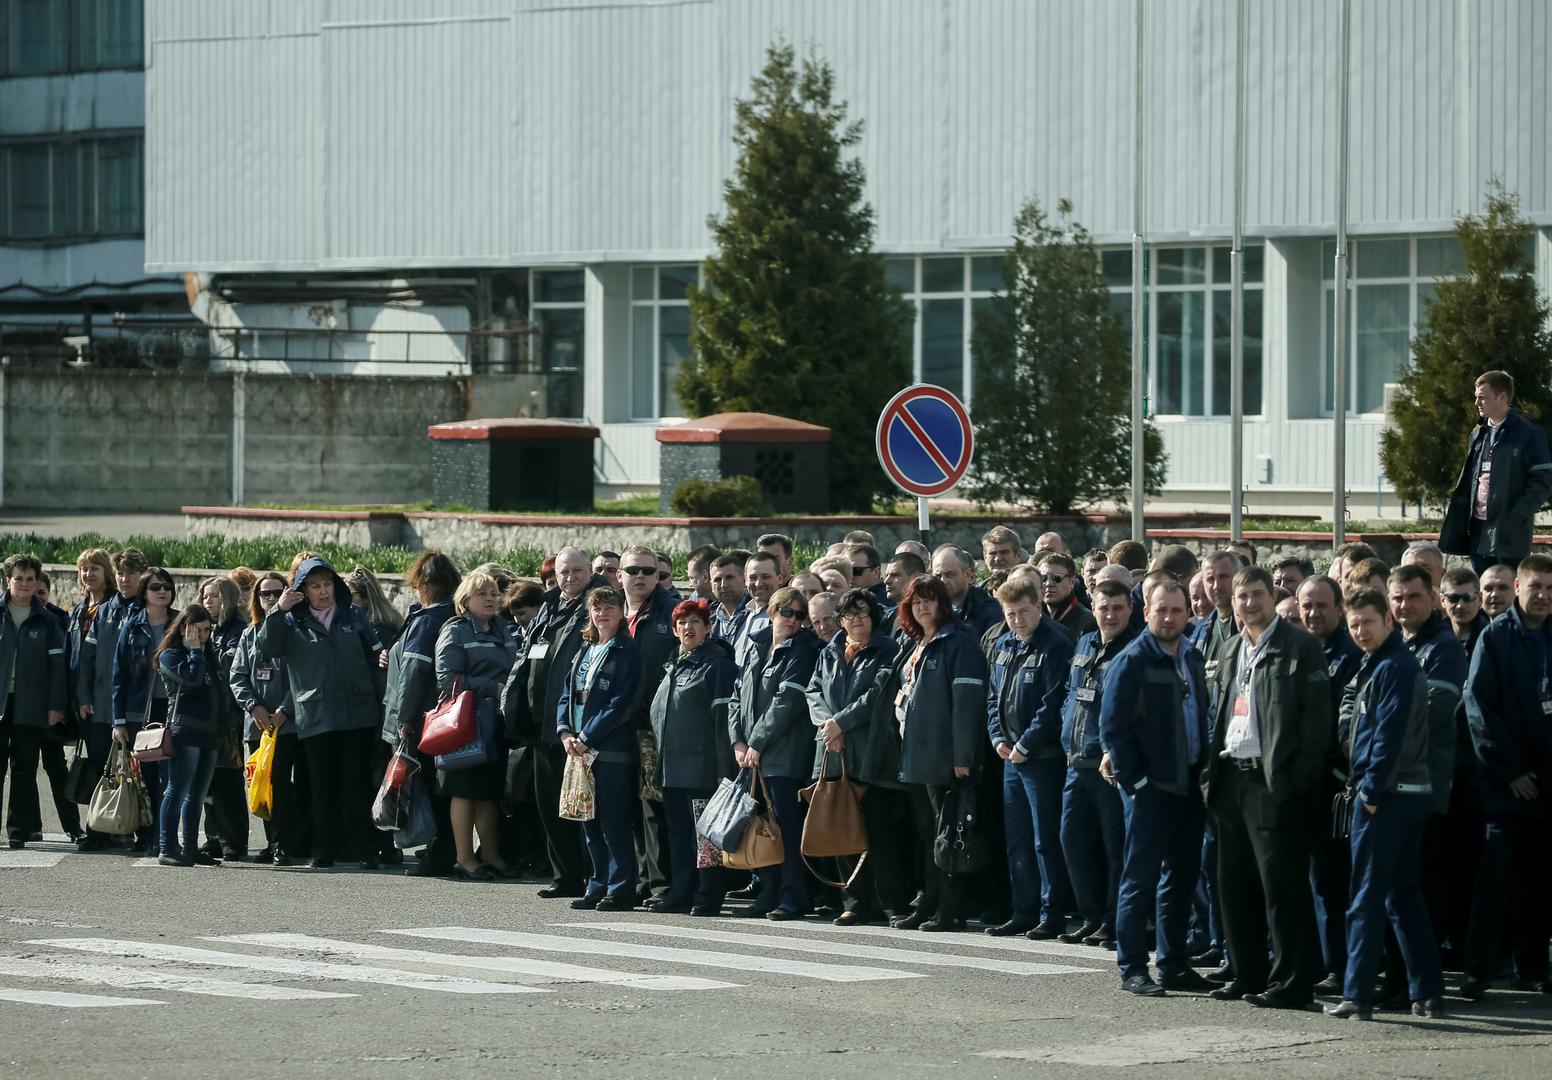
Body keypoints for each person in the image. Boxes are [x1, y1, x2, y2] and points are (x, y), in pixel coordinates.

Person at [1201, 566, 1331, 1009]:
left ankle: (1293, 981)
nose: (1250, 603)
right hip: (1230, 777)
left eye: (1258, 594)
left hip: (1273, 781)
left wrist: (1298, 780)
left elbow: (1316, 723)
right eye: (1242, 596)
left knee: (1281, 886)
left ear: (1272, 597)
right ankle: (1246, 974)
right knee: (1233, 885)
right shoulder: (1233, 646)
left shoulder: (1300, 647)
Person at [1325, 587, 1443, 1020]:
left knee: (1366, 897)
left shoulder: (1393, 666)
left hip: (1386, 799)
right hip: (1408, 795)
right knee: (1403, 896)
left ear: (1388, 622)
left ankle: (1357, 995)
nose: (1359, 632)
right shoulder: (1383, 663)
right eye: (1354, 625)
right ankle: (1428, 991)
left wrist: (1371, 791)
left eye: (1368, 623)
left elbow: (1388, 733)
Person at [1098, 578, 1214, 997]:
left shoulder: (1193, 657)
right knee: (1139, 880)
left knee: (1180, 879)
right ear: (1146, 613)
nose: (1169, 618)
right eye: (1161, 610)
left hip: (1188, 788)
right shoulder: (1132, 660)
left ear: (1188, 614)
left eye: (1177, 611)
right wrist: (1139, 784)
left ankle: (1173, 963)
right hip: (1151, 791)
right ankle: (1132, 966)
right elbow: (1112, 728)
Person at [1461, 554, 1552, 999]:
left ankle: (1531, 967)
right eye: (1536, 587)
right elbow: (1478, 708)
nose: (1543, 596)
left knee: (1540, 881)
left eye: (1551, 589)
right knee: (1496, 878)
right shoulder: (1495, 638)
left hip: (1548, 783)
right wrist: (1511, 770)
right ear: (1518, 587)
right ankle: (1477, 969)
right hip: (1505, 784)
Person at [257, 556, 385, 870]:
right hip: (315, 715)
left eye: (327, 584)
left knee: (356, 785)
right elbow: (267, 648)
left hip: (356, 713)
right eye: (315, 586)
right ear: (303, 589)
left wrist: (381, 657)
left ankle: (365, 849)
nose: (323, 592)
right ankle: (323, 850)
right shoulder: (290, 620)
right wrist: (278, 610)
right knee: (321, 786)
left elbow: (373, 652)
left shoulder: (353, 614)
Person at [890, 575, 988, 932]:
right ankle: (928, 901)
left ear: (942, 604)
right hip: (915, 758)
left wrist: (962, 757)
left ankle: (949, 909)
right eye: (916, 602)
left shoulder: (958, 642)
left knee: (947, 836)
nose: (922, 607)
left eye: (930, 600)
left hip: (944, 759)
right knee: (927, 835)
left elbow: (967, 704)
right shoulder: (918, 643)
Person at [806, 587, 905, 925]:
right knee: (842, 828)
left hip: (871, 754)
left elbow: (876, 695)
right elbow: (813, 690)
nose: (856, 619)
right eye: (850, 614)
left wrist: (840, 723)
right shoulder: (830, 651)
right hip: (833, 752)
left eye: (863, 613)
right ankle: (854, 901)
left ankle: (890, 901)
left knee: (880, 832)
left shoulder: (887, 650)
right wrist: (827, 724)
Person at [506, 546, 601, 898]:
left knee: (581, 805)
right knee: (549, 804)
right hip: (540, 724)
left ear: (589, 571)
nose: (571, 577)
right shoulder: (548, 605)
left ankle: (591, 875)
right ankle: (564, 875)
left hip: (574, 725)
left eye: (578, 570)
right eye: (565, 571)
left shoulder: (595, 607)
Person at [985, 575, 1077, 938]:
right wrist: (997, 738)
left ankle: (1051, 911)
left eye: (1024, 611)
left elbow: (1053, 703)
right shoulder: (1004, 643)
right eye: (1011, 614)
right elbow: (993, 698)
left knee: (1045, 839)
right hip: (1010, 756)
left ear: (1038, 606)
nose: (1018, 620)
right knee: (1019, 838)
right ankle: (1022, 910)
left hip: (1042, 757)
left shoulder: (1055, 644)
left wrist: (1026, 745)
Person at [730, 586, 821, 920]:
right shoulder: (757, 645)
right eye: (788, 612)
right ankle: (766, 891)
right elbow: (737, 695)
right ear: (772, 611)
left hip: (784, 756)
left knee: (786, 828)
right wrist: (737, 741)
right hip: (752, 757)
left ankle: (794, 896)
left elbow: (787, 701)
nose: (794, 621)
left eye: (800, 615)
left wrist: (756, 742)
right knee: (760, 828)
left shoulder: (802, 650)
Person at [1059, 578, 1137, 948]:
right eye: (1103, 607)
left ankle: (1112, 919)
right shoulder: (1086, 641)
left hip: (1108, 768)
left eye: (1117, 608)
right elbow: (1070, 694)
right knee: (1072, 841)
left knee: (1113, 848)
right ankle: (1090, 916)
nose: (1109, 614)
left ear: (1130, 610)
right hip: (1075, 762)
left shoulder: (1133, 650)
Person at [647, 599, 737, 916]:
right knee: (680, 835)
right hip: (672, 770)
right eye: (682, 622)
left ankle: (708, 894)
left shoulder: (716, 665)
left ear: (708, 628)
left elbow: (724, 723)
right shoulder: (674, 665)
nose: (689, 627)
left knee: (706, 838)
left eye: (696, 621)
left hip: (703, 770)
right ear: (674, 630)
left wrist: (723, 773)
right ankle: (682, 892)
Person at [1297, 573, 1364, 993]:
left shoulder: (1352, 653)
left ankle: (1337, 965)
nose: (1313, 612)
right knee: (1305, 879)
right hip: (1299, 782)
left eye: (1322, 605)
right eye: (1307, 605)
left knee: (1332, 881)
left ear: (1340, 608)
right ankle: (1314, 959)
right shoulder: (1297, 649)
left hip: (1335, 784)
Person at [558, 586, 642, 910]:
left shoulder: (627, 650)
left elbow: (622, 702)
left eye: (609, 607)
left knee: (613, 820)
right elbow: (567, 693)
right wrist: (565, 732)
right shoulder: (586, 649)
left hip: (610, 750)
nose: (602, 613)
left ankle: (621, 888)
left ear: (621, 613)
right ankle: (597, 884)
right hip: (579, 747)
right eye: (597, 608)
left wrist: (587, 736)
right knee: (588, 819)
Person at [381, 551, 461, 876]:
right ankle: (443, 849)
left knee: (427, 788)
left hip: (421, 719)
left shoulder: (427, 620)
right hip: (443, 717)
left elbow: (415, 671)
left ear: (424, 584)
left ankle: (439, 852)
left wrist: (403, 718)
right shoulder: (450, 616)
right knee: (440, 788)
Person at [435, 569, 517, 881]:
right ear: (465, 599)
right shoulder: (455, 630)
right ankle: (464, 859)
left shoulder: (502, 628)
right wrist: (490, 687)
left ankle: (491, 856)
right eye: (483, 594)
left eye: (495, 594)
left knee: (488, 792)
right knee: (465, 790)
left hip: (496, 722)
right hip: (467, 721)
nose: (492, 599)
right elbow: (446, 679)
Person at [1440, 370, 1552, 575]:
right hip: (1478, 528)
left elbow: (1543, 480)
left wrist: (1517, 515)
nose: (1477, 403)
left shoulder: (1528, 433)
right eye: (1476, 397)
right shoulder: (1477, 433)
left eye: (1483, 397)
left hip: (1509, 530)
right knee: (1484, 587)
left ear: (1502, 397)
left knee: (1509, 587)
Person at [230, 571, 305, 865]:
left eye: (277, 593)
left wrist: (285, 711)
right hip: (257, 725)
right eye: (266, 594)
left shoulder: (295, 629)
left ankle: (283, 843)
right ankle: (272, 840)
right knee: (260, 783)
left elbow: (301, 677)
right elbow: (237, 677)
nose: (272, 599)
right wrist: (253, 707)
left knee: (280, 783)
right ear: (257, 599)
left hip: (287, 724)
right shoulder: (249, 634)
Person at [619, 545, 679, 905]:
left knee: (654, 808)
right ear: (619, 575)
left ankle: (662, 884)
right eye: (632, 570)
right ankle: (639, 879)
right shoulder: (609, 611)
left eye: (647, 571)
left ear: (658, 576)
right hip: (616, 726)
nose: (639, 577)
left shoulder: (671, 612)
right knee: (625, 806)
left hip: (654, 727)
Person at [0, 554, 66, 849]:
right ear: (7, 580)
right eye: (19, 578)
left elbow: (57, 670)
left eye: (30, 579)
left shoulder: (48, 620)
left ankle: (18, 829)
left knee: (25, 768)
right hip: (1, 703)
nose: (24, 584)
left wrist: (55, 705)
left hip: (31, 705)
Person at [112, 566, 178, 853]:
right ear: (144, 593)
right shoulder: (132, 625)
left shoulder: (180, 622)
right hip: (141, 710)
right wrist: (119, 720)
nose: (162, 591)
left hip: (174, 708)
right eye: (155, 587)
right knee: (147, 778)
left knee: (172, 776)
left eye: (166, 586)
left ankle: (169, 837)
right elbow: (119, 676)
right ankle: (148, 836)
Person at [154, 604, 223, 867]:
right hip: (185, 730)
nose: (204, 635)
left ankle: (191, 848)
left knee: (198, 793)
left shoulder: (208, 654)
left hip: (209, 731)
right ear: (184, 628)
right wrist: (195, 650)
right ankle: (167, 847)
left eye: (208, 630)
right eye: (199, 630)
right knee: (177, 789)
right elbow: (191, 680)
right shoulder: (169, 655)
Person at [194, 575, 250, 861]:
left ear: (227, 598)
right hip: (210, 718)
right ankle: (214, 837)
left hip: (229, 720)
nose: (208, 601)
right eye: (205, 596)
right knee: (210, 782)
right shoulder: (211, 631)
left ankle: (233, 841)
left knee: (228, 782)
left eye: (214, 596)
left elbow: (231, 672)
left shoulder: (237, 631)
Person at [67, 548, 117, 850]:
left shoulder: (112, 607)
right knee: (97, 764)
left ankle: (104, 829)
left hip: (103, 700)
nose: (88, 575)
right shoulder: (81, 608)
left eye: (94, 569)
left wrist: (88, 696)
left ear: (106, 572)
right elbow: (77, 660)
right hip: (84, 700)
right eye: (84, 569)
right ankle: (101, 827)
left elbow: (96, 660)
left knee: (107, 766)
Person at [931, 545, 1000, 636]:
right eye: (938, 576)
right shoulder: (928, 608)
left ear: (968, 575)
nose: (943, 581)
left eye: (950, 574)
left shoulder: (987, 610)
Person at [735, 552, 781, 668]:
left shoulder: (785, 618)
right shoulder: (740, 617)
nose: (759, 583)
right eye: (753, 577)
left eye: (766, 577)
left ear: (779, 578)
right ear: (745, 580)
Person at [1037, 553, 1096, 640]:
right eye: (1043, 578)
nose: (1048, 584)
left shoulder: (1087, 622)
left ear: (1072, 582)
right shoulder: (1034, 617)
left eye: (1057, 578)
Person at [1440, 567, 1489, 651]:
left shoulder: (1491, 638)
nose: (1460, 605)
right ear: (1442, 600)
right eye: (1453, 598)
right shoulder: (1433, 638)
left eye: (1468, 597)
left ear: (1480, 599)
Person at [709, 554, 750, 646]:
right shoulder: (707, 618)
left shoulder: (756, 613)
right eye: (717, 580)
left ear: (744, 581)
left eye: (729, 577)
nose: (723, 585)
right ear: (711, 585)